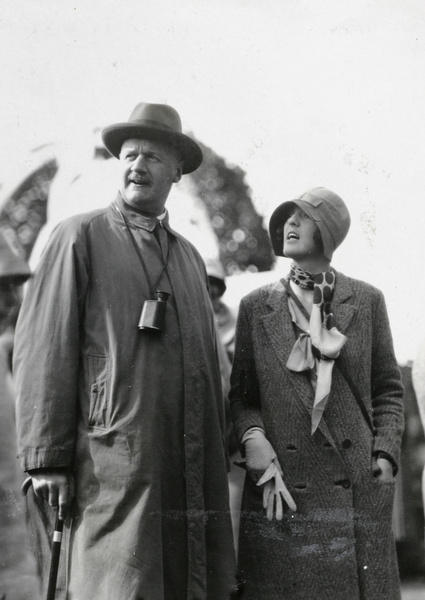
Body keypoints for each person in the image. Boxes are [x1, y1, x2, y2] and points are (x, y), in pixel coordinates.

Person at [14, 102, 236, 600]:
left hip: (183, 462)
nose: (137, 165)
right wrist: (46, 457)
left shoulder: (188, 258)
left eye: (153, 158)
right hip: (110, 464)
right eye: (130, 155)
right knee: (116, 582)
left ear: (177, 171)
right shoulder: (78, 236)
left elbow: (209, 364)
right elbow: (44, 346)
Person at [229, 187, 404, 599]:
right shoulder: (256, 306)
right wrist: (254, 440)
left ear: (327, 231)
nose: (290, 223)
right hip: (281, 487)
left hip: (357, 489)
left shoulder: (366, 300)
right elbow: (241, 397)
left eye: (303, 217)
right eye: (288, 217)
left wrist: (384, 453)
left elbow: (389, 390)